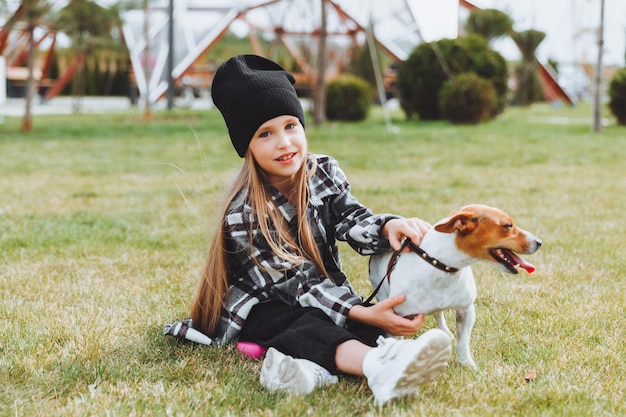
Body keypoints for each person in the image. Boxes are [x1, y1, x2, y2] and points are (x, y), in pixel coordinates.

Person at [190, 54, 451, 405]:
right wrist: (357, 310)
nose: (284, 142)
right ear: (246, 147)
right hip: (263, 309)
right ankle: (377, 365)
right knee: (307, 324)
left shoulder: (322, 171)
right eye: (265, 133)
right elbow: (299, 285)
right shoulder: (245, 213)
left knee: (361, 322)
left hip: (319, 297)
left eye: (290, 126)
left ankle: (313, 371)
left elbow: (350, 217)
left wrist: (387, 226)